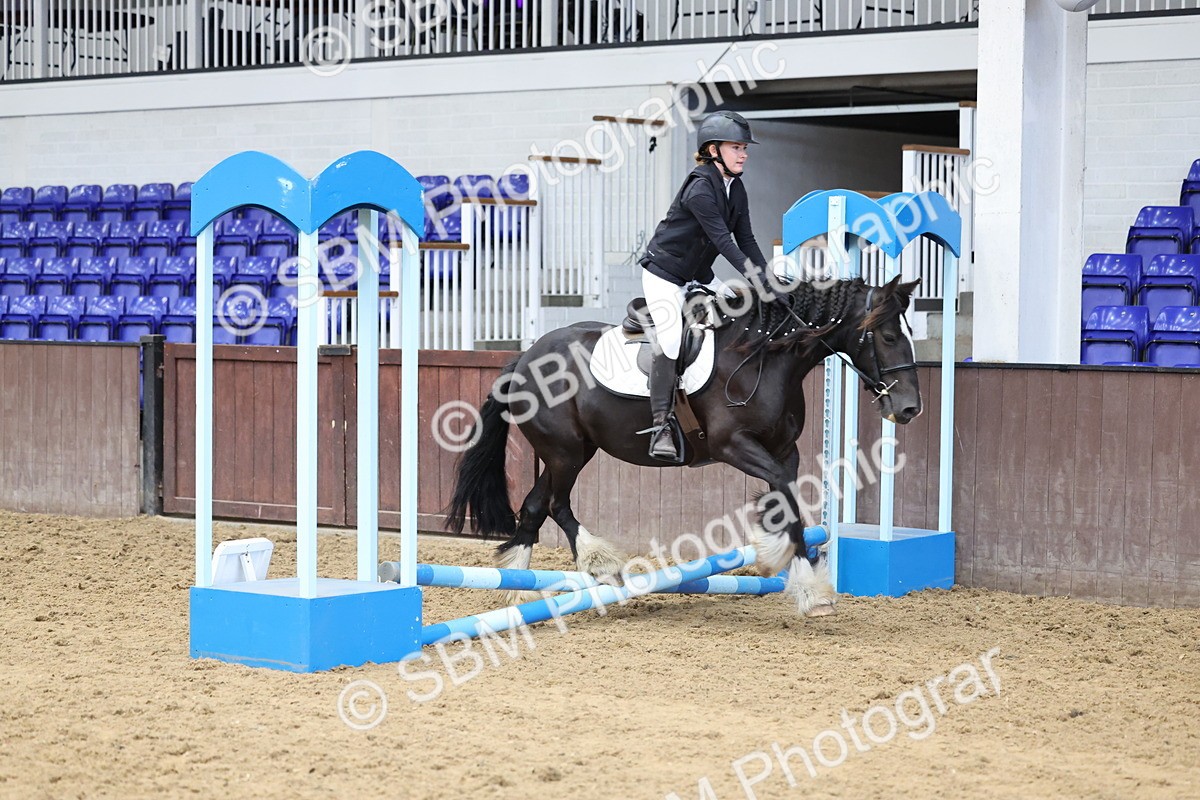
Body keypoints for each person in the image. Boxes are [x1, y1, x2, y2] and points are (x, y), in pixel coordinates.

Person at [637, 110, 768, 461]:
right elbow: (725, 243)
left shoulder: (735, 188)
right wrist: (754, 277)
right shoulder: (699, 189)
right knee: (669, 341)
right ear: (713, 150)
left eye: (744, 148)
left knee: (735, 308)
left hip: (698, 276)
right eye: (736, 147)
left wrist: (766, 279)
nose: (744, 154)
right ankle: (660, 427)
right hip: (664, 275)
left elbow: (748, 240)